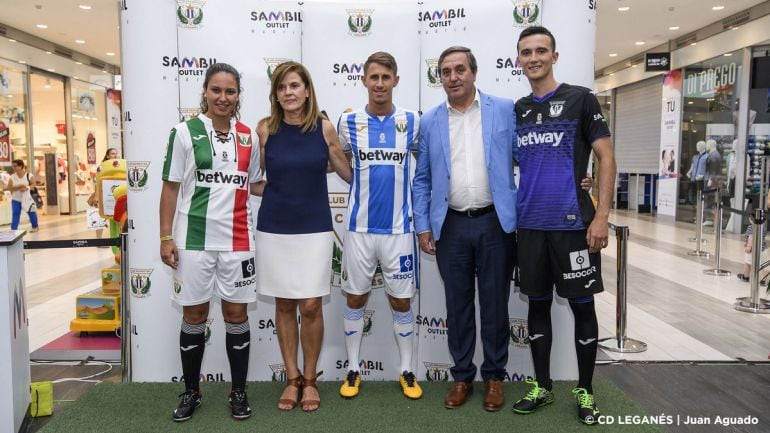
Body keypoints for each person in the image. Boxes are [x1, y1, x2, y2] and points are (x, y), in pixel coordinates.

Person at [511, 26, 616, 425]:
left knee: (582, 306)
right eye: (526, 52)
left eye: (541, 51)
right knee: (537, 305)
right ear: (518, 59)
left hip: (575, 228)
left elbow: (606, 157)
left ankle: (586, 391)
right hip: (532, 229)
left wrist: (602, 216)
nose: (533, 57)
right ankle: (542, 386)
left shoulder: (581, 100)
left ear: (554, 56)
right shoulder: (517, 109)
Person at [412, 46, 517, 412]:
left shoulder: (504, 110)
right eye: (445, 71)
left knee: (494, 306)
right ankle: (461, 377)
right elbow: (422, 178)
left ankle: (494, 378)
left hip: (495, 223)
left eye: (459, 69)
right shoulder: (429, 122)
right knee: (457, 307)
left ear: (474, 72)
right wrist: (423, 226)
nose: (453, 77)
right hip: (451, 226)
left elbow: (531, 159)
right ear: (439, 77)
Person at [159, 63, 262, 422]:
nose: (223, 97)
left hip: (238, 239)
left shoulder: (250, 136)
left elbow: (256, 184)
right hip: (193, 240)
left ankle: (238, 392)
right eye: (216, 90)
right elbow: (170, 187)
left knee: (236, 314)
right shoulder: (184, 132)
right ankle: (191, 391)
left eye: (230, 91)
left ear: (238, 95)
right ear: (205, 91)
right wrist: (165, 236)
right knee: (195, 314)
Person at [255, 61, 351, 412]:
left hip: (314, 227)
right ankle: (292, 379)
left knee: (310, 305)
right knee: (283, 304)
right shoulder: (265, 130)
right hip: (275, 228)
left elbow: (349, 173)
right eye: (282, 88)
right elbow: (250, 178)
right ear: (275, 94)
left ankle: (310, 379)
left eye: (294, 86)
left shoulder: (324, 129)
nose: (289, 93)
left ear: (307, 90)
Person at [336, 52, 422, 400]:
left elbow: (428, 165)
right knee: (355, 298)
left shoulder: (412, 121)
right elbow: (337, 157)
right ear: (364, 80)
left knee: (401, 303)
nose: (380, 83)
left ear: (396, 81)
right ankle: (353, 369)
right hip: (358, 230)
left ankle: (406, 370)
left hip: (400, 232)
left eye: (387, 77)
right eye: (374, 77)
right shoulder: (349, 122)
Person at [87, 147, 119, 239]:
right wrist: (96, 196)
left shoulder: (119, 165)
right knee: (100, 217)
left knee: (115, 216)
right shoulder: (102, 167)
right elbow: (98, 182)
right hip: (103, 194)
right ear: (108, 156)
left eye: (116, 153)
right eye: (112, 153)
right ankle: (99, 240)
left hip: (115, 194)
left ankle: (116, 239)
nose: (115, 155)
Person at [7, 159, 40, 232]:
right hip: (16, 199)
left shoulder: (29, 175)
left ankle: (35, 226)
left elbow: (34, 184)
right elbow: (9, 187)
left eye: (15, 166)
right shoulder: (12, 176)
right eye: (13, 166)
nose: (14, 168)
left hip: (27, 198)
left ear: (21, 166)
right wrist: (19, 186)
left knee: (31, 212)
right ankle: (13, 229)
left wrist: (27, 188)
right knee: (15, 213)